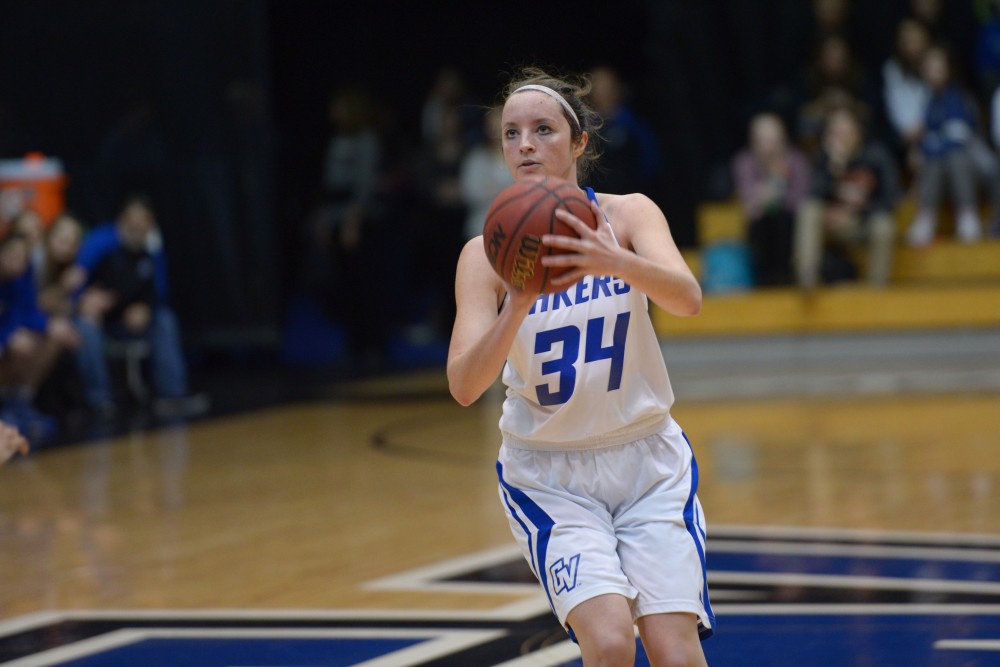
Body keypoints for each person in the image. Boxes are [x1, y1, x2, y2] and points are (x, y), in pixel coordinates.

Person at [448, 68, 713, 666]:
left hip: (646, 461)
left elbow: (687, 298)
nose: (525, 145)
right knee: (612, 641)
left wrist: (611, 258)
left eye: (542, 130)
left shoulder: (628, 215)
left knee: (674, 650)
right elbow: (464, 385)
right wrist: (516, 303)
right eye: (511, 134)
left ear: (579, 144)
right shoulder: (484, 255)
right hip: (549, 476)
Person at [75, 196, 208, 417]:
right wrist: (84, 302)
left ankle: (171, 396)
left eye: (143, 220)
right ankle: (99, 402)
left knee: (165, 319)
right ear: (121, 221)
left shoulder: (150, 253)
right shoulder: (101, 246)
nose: (137, 225)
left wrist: (146, 308)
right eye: (132, 219)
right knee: (86, 327)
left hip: (130, 322)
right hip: (99, 321)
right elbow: (75, 283)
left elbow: (158, 293)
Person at [794, 106, 900, 288]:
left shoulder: (877, 156)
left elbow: (891, 199)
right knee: (808, 210)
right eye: (836, 133)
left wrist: (856, 215)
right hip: (830, 224)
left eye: (846, 132)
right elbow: (812, 196)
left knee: (885, 226)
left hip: (862, 223)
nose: (842, 138)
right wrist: (833, 168)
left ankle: (878, 290)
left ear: (858, 133)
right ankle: (807, 280)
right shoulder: (823, 158)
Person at [907, 46, 999, 245]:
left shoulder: (959, 97)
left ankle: (968, 215)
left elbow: (960, 138)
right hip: (941, 166)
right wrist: (927, 147)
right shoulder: (926, 99)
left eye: (938, 69)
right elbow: (924, 137)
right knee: (935, 162)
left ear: (948, 71)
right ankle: (926, 217)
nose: (933, 74)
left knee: (954, 157)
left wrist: (930, 145)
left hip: (973, 165)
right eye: (929, 69)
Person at [0, 233, 80, 439]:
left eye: (21, 257)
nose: (15, 262)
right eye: (10, 255)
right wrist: (6, 337)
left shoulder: (22, 279)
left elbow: (27, 312)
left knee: (51, 336)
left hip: (9, 339)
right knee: (17, 345)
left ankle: (19, 404)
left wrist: (52, 325)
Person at [732, 112, 812, 286]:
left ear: (783, 141)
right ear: (753, 142)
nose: (768, 148)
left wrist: (770, 192)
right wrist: (773, 184)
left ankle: (786, 278)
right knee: (764, 221)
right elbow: (749, 209)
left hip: (791, 227)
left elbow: (800, 202)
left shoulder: (797, 161)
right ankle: (764, 281)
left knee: (782, 217)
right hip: (759, 228)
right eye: (762, 141)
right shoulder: (744, 162)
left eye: (773, 141)